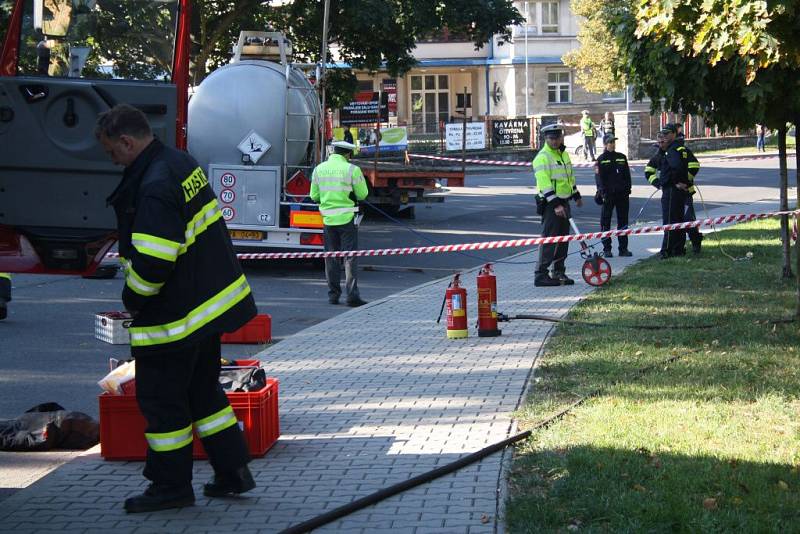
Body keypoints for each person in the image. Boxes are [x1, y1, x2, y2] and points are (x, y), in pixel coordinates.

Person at [95, 104, 258, 513]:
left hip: (174, 319)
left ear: (128, 142)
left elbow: (153, 262)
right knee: (204, 393)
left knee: (163, 404)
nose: (112, 160)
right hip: (204, 312)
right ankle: (233, 471)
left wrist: (132, 301)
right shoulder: (179, 162)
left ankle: (171, 487)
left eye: (112, 151)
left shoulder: (153, 184)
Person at [310, 140, 369, 306]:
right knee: (350, 257)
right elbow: (363, 194)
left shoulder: (319, 169)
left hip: (328, 219)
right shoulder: (352, 169)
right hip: (347, 219)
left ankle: (333, 295)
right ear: (348, 154)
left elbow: (314, 196)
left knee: (331, 257)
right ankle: (352, 296)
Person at [533, 123, 583, 286]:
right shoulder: (542, 157)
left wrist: (575, 194)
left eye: (557, 138)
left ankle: (558, 272)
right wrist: (555, 205)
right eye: (551, 138)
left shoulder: (563, 154)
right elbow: (544, 183)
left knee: (563, 240)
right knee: (549, 239)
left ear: (561, 137)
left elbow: (568, 178)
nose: (554, 141)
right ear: (546, 139)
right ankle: (541, 275)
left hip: (564, 201)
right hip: (550, 204)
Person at [594, 133, 632, 258]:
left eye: (613, 142)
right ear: (605, 144)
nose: (612, 144)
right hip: (608, 195)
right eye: (610, 142)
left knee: (623, 222)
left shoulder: (621, 157)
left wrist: (628, 189)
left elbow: (627, 175)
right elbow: (599, 179)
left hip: (622, 195)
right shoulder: (601, 159)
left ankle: (623, 249)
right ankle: (607, 249)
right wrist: (602, 192)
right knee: (606, 222)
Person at [655, 124, 690, 258]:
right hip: (675, 191)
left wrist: (676, 183)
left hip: (671, 191)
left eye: (667, 133)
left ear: (674, 134)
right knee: (678, 220)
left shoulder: (673, 150)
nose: (664, 136)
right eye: (663, 134)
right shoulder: (676, 148)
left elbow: (677, 167)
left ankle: (666, 251)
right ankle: (678, 249)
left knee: (669, 221)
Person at [672, 123, 703, 253]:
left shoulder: (685, 152)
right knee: (675, 222)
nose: (681, 138)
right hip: (673, 193)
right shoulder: (668, 152)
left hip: (685, 193)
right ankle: (678, 247)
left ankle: (696, 242)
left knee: (688, 219)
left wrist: (686, 181)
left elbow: (694, 165)